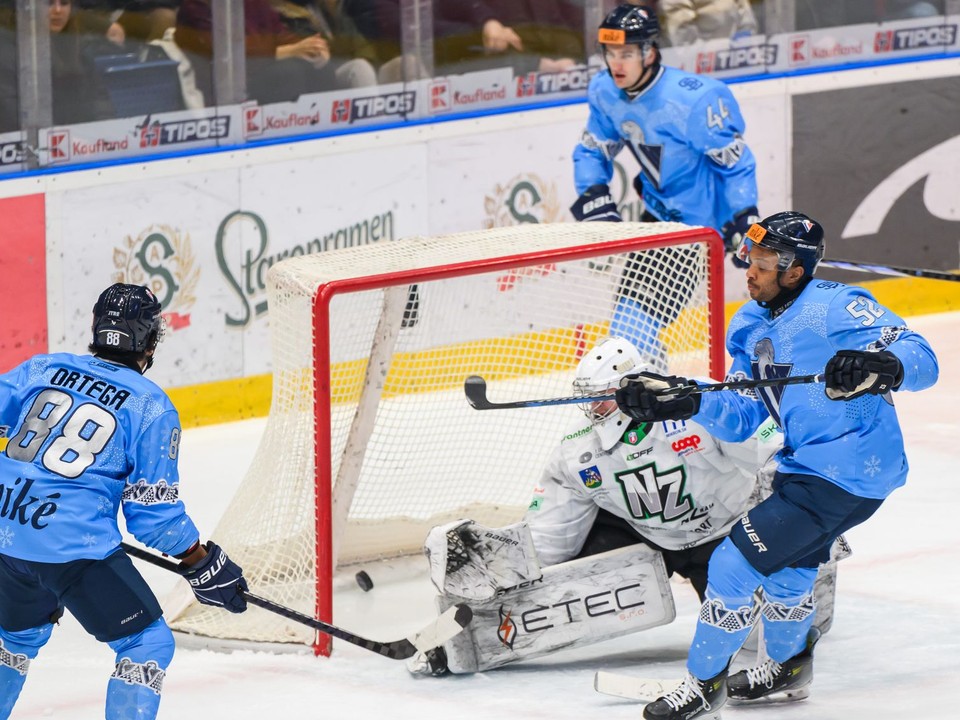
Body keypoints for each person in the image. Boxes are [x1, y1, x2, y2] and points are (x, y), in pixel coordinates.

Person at [614, 212, 939, 719]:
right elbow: (745, 413)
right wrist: (686, 399)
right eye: (751, 259)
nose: (750, 270)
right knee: (789, 570)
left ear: (794, 269)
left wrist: (882, 366)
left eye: (764, 263)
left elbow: (922, 356)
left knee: (731, 562)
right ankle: (788, 669)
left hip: (847, 470)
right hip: (806, 467)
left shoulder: (836, 306)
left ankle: (703, 687)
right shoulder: (747, 324)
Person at [409, 336, 818, 676]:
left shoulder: (696, 404)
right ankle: (457, 643)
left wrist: (799, 515)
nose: (592, 410)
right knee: (557, 593)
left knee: (758, 642)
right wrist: (500, 564)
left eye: (600, 398)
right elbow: (551, 541)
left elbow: (773, 449)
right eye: (587, 399)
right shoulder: (577, 452)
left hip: (725, 533)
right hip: (643, 536)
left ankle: (808, 589)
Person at [0, 284, 248, 720]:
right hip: (70, 545)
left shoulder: (43, 367)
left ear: (96, 327)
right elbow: (154, 518)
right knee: (146, 643)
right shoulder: (150, 406)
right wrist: (199, 560)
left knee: (16, 638)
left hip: (5, 528)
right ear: (150, 341)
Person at [571, 4, 759, 362]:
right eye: (610, 53)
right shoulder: (605, 91)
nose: (616, 64)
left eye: (626, 53)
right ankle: (651, 392)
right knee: (629, 322)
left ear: (649, 51)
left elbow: (735, 164)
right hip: (656, 219)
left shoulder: (694, 99)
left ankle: (651, 397)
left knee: (631, 326)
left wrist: (743, 217)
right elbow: (592, 149)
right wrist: (594, 193)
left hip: (696, 231)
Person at [659, 0, 758, 46]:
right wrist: (728, 47)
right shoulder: (672, 2)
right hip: (702, 73)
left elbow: (748, 24)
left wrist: (744, 45)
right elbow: (685, 46)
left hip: (740, 64)